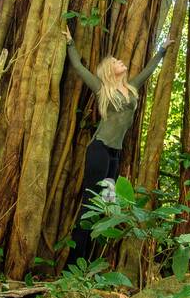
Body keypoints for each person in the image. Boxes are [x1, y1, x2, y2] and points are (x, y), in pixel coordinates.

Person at [62, 27, 173, 264]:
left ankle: (89, 264)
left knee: (107, 205)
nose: (121, 61)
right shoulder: (103, 90)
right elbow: (80, 69)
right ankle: (72, 264)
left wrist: (162, 50)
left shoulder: (132, 87)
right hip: (99, 150)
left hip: (115, 155)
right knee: (90, 202)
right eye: (116, 61)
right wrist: (70, 43)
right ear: (109, 71)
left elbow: (148, 70)